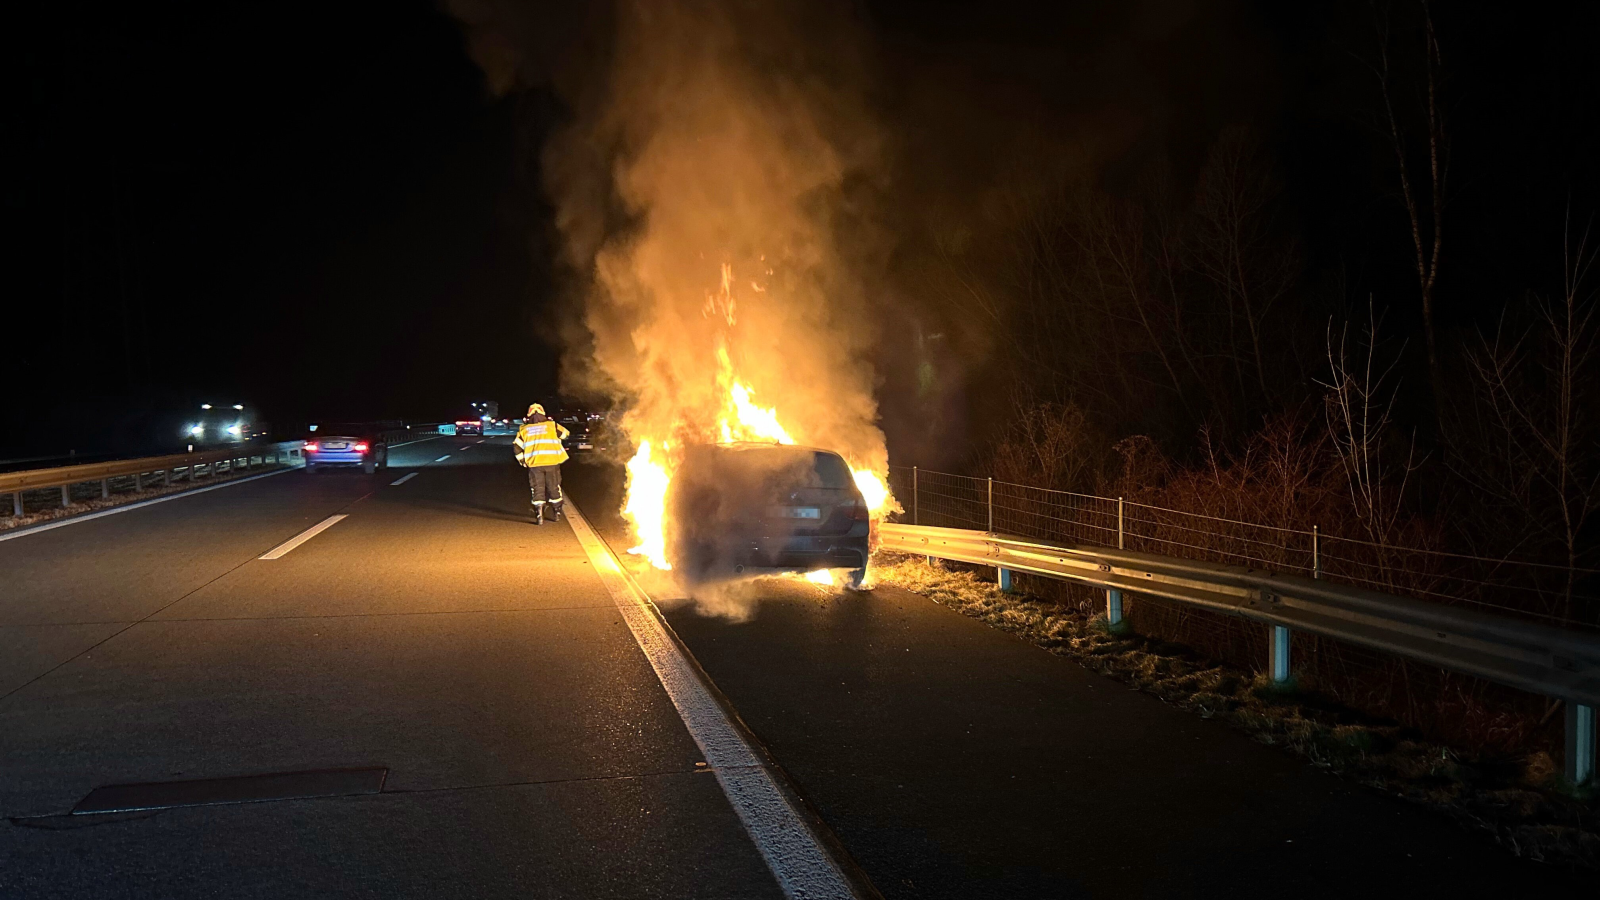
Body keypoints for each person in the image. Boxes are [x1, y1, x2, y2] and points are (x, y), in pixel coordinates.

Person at [514, 404, 570, 524]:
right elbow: (566, 434)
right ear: (543, 413)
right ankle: (557, 513)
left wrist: (523, 461)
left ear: (528, 415)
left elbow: (517, 447)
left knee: (537, 489)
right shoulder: (552, 425)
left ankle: (539, 515)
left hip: (535, 465)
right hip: (552, 462)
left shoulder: (524, 429)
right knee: (554, 487)